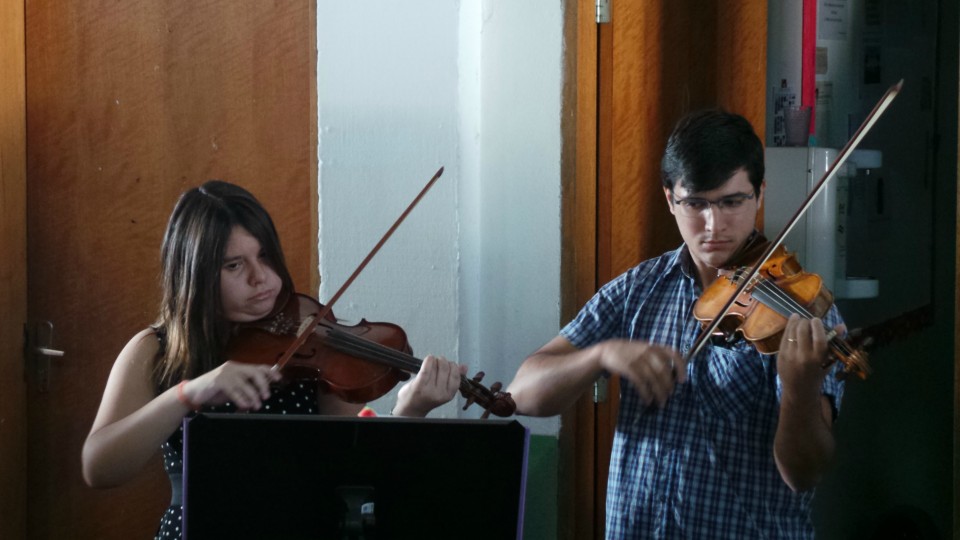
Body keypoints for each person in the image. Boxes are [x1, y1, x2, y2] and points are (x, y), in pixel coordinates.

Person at [506, 109, 847, 539]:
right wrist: (600, 355)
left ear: (760, 194)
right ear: (670, 199)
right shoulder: (638, 289)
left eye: (731, 202)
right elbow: (521, 394)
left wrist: (799, 390)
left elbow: (803, 474)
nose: (713, 225)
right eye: (696, 203)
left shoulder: (801, 308)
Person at [81, 180, 465, 539]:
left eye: (264, 257)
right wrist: (186, 394)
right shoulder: (156, 350)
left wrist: (410, 413)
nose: (261, 278)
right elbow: (98, 467)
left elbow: (357, 473)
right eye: (234, 265)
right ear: (193, 275)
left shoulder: (314, 348)